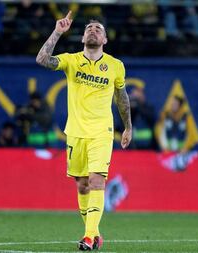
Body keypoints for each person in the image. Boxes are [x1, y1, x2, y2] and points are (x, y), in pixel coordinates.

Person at [36, 11, 132, 251]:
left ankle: (88, 237)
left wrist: (128, 126)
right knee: (82, 185)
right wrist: (58, 31)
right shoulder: (71, 60)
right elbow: (42, 60)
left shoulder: (115, 66)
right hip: (76, 132)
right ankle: (95, 233)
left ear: (105, 40)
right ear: (82, 38)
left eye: (98, 29)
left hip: (102, 131)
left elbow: (122, 98)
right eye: (89, 28)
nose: (93, 31)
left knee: (97, 180)